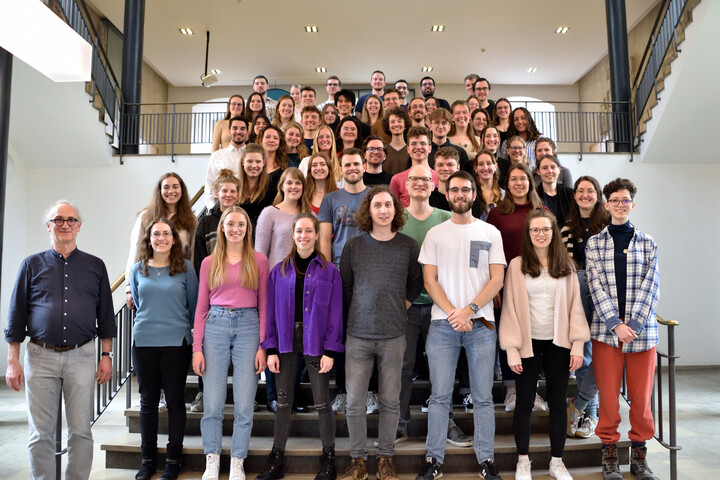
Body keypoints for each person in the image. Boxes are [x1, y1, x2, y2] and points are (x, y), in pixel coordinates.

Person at [4, 200, 115, 480]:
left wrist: (106, 356)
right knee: (39, 433)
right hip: (39, 357)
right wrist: (12, 360)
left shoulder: (95, 265)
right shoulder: (31, 265)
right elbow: (16, 313)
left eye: (71, 220)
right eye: (58, 219)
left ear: (79, 226)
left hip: (82, 356)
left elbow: (105, 315)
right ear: (48, 225)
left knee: (80, 430)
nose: (65, 224)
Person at [416, 171, 505, 480]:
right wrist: (455, 313)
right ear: (447, 194)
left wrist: (469, 310)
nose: (460, 194)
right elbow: (429, 280)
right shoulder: (435, 234)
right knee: (439, 396)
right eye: (454, 190)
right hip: (442, 325)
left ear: (473, 194)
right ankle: (433, 461)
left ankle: (487, 460)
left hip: (481, 324)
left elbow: (497, 279)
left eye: (465, 189)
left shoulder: (490, 232)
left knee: (482, 397)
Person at [339, 185, 423, 480]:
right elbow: (345, 286)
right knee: (354, 402)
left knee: (390, 400)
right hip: (358, 334)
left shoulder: (408, 246)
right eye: (378, 206)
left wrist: (405, 303)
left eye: (388, 205)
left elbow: (415, 282)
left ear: (395, 210)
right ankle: (358, 460)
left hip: (393, 334)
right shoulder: (355, 246)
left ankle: (386, 457)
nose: (383, 210)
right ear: (369, 210)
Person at [499, 209, 590, 480]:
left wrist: (576, 346)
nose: (541, 234)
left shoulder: (567, 266)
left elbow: (576, 308)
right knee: (524, 403)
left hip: (558, 344)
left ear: (553, 233)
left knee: (558, 404)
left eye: (546, 230)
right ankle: (523, 461)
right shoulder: (517, 265)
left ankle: (557, 461)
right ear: (529, 235)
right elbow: (510, 309)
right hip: (527, 344)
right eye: (535, 230)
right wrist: (512, 349)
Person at [257, 213, 344, 480]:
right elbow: (269, 312)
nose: (304, 236)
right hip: (284, 343)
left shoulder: (330, 271)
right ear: (293, 235)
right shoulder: (279, 271)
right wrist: (270, 349)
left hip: (316, 343)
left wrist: (330, 350)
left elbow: (336, 312)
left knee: (322, 403)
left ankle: (328, 459)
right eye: (299, 231)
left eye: (309, 231)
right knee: (283, 403)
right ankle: (276, 460)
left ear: (317, 235)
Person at [586, 178, 659, 480]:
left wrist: (635, 325)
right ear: (606, 205)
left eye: (625, 199)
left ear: (632, 204)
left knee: (641, 400)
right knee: (607, 399)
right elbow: (595, 286)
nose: (619, 204)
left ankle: (639, 457)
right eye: (614, 199)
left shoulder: (648, 243)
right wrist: (616, 324)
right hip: (606, 335)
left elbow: (652, 285)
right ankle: (610, 455)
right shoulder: (594, 244)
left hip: (643, 335)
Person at [397, 165, 473, 447]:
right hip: (405, 307)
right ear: (405, 185)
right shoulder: (396, 218)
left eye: (425, 179)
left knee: (442, 370)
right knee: (403, 368)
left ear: (434, 185)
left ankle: (448, 423)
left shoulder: (446, 217)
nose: (419, 183)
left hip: (443, 307)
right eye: (413, 179)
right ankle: (399, 423)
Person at [192, 206, 269, 480]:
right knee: (212, 403)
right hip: (215, 324)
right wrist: (197, 347)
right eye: (230, 224)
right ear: (222, 228)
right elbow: (201, 307)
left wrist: (263, 345)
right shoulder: (208, 262)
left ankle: (237, 460)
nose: (236, 229)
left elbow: (264, 306)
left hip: (249, 326)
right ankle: (212, 459)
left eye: (241, 224)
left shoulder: (259, 260)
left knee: (245, 403)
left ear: (248, 229)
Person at [130, 219, 198, 480]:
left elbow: (192, 306)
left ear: (174, 239)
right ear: (149, 239)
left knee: (175, 401)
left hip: (175, 344)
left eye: (166, 233)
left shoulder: (185, 268)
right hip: (144, 341)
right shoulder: (139, 269)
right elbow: (138, 301)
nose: (161, 238)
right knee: (147, 402)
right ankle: (147, 460)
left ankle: (173, 459)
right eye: (156, 234)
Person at [486, 163, 547, 413]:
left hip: (537, 284)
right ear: (506, 184)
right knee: (509, 335)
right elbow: (490, 255)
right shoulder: (497, 214)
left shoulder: (542, 210)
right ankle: (512, 390)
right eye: (513, 179)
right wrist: (495, 288)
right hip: (506, 283)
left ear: (530, 182)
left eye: (523, 178)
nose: (519, 183)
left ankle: (531, 391)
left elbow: (550, 249)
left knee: (534, 337)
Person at [318, 148, 371, 414]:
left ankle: (370, 392)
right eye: (347, 164)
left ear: (364, 165)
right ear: (341, 168)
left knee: (368, 332)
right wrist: (327, 273)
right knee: (338, 333)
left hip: (368, 273)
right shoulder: (330, 199)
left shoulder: (373, 196)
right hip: (338, 272)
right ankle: (341, 390)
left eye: (356, 163)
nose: (352, 168)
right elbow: (325, 239)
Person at [561, 176, 608, 441]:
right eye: (580, 191)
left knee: (603, 354)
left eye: (590, 191)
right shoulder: (568, 229)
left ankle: (579, 405)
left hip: (605, 295)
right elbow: (567, 265)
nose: (585, 195)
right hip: (580, 294)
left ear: (598, 195)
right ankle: (589, 416)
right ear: (575, 195)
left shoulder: (609, 225)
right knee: (584, 352)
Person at [125, 173, 197, 309]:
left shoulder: (191, 220)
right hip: (150, 279)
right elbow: (135, 250)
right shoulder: (145, 217)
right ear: (160, 191)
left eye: (175, 187)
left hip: (177, 281)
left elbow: (192, 254)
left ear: (182, 191)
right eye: (166, 187)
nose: (171, 191)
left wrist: (190, 285)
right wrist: (129, 286)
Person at [204, 116, 248, 210]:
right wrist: (212, 208)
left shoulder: (252, 156)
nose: (238, 131)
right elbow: (209, 184)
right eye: (235, 128)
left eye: (242, 129)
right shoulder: (217, 156)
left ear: (247, 133)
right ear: (229, 132)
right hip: (222, 206)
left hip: (248, 205)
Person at [389, 126, 439, 207]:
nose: (418, 147)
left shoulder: (439, 178)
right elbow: (393, 209)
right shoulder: (397, 180)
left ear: (429, 148)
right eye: (414, 143)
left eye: (422, 143)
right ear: (408, 149)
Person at [238, 144, 279, 232]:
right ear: (243, 162)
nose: (254, 165)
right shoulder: (235, 186)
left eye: (258, 161)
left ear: (263, 163)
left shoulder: (272, 187)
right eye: (249, 161)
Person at [535, 155, 574, 227]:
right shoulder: (533, 194)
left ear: (559, 170)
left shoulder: (570, 193)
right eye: (544, 168)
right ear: (538, 171)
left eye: (553, 167)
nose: (549, 171)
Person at [473, 150, 504, 221]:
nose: (485, 168)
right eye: (480, 164)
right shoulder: (471, 195)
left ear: (495, 166)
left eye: (489, 163)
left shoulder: (505, 194)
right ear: (475, 168)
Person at [382, 107, 411, 176]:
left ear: (405, 125)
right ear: (388, 127)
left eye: (399, 121)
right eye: (392, 122)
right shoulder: (383, 151)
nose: (396, 124)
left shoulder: (411, 150)